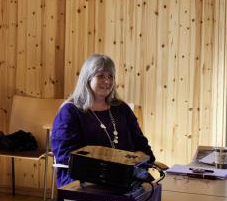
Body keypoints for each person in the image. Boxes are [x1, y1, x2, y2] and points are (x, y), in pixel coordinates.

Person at [51, 54, 155, 187]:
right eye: (100, 75)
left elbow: (142, 146)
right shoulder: (70, 111)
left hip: (126, 177)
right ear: (87, 78)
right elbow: (66, 156)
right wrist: (108, 171)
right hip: (85, 180)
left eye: (110, 76)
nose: (107, 81)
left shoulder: (121, 109)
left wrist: (134, 163)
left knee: (152, 193)